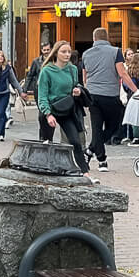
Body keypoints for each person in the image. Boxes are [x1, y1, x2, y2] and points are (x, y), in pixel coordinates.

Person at [81, 28, 139, 172]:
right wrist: (136, 90)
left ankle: (96, 155)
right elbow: (122, 73)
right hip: (110, 94)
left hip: (92, 95)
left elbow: (84, 78)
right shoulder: (115, 51)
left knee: (96, 127)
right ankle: (99, 158)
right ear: (107, 38)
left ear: (94, 39)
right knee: (114, 125)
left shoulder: (86, 54)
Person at [37, 41, 93, 180]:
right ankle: (45, 170)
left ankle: (85, 173)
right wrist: (48, 114)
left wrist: (78, 90)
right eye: (63, 52)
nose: (67, 54)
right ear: (56, 53)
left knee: (75, 141)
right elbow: (42, 95)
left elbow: (76, 84)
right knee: (46, 142)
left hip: (67, 108)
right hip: (50, 108)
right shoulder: (47, 71)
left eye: (69, 52)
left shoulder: (72, 69)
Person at [122, 51, 139, 144]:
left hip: (133, 97)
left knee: (135, 118)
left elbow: (125, 85)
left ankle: (136, 138)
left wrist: (129, 92)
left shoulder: (129, 71)